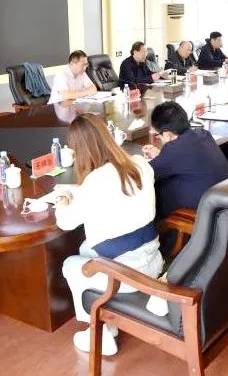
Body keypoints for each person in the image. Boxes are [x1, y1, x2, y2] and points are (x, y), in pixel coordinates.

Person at [55, 113, 164, 356]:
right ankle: (107, 321)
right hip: (153, 260)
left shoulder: (94, 181)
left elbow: (65, 222)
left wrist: (62, 201)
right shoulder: (139, 163)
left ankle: (99, 332)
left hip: (126, 275)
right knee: (85, 248)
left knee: (70, 264)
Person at [141, 102, 228, 219]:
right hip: (223, 214)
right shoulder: (203, 134)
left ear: (168, 135)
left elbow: (143, 173)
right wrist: (161, 156)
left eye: (157, 135)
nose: (159, 139)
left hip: (195, 221)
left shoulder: (173, 151)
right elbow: (182, 159)